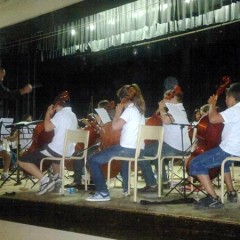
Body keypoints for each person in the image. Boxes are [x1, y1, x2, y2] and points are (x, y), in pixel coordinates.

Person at [86, 83, 146, 201]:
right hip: (137, 150)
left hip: (127, 150)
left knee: (92, 160)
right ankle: (126, 188)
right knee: (122, 159)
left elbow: (114, 127)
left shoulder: (129, 111)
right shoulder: (139, 111)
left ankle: (103, 193)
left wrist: (118, 112)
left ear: (123, 99)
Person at [189, 82, 240, 209]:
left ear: (231, 98)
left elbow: (213, 119)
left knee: (195, 163)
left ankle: (213, 198)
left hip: (229, 150)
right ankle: (231, 192)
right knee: (225, 164)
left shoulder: (235, 110)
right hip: (236, 151)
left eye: (226, 98)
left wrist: (212, 104)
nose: (226, 100)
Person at [18, 91, 78, 195]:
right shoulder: (73, 115)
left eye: (55, 107)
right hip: (67, 151)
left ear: (58, 105)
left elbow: (47, 128)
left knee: (22, 160)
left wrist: (48, 114)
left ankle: (45, 181)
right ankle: (57, 178)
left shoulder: (61, 114)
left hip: (57, 150)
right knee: (53, 157)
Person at [138, 85, 191, 192]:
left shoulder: (176, 109)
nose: (165, 100)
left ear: (172, 98)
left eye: (167, 98)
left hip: (175, 147)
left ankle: (152, 185)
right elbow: (157, 117)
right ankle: (164, 181)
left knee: (140, 152)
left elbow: (166, 121)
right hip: (181, 147)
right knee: (157, 154)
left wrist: (162, 108)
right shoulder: (179, 108)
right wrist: (161, 108)